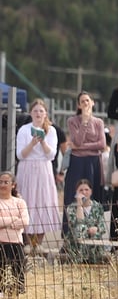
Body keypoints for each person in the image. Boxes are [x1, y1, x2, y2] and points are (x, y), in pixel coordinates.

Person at [16, 99, 58, 250]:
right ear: (31, 113)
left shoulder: (51, 131)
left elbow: (51, 155)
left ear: (45, 113)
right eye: (35, 111)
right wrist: (32, 144)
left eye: (41, 111)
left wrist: (42, 142)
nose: (38, 113)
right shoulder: (24, 130)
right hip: (27, 168)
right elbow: (20, 155)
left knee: (43, 202)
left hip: (43, 168)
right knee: (27, 202)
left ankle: (38, 243)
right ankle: (27, 242)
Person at [63, 91, 106, 230]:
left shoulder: (99, 122)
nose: (86, 103)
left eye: (88, 100)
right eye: (82, 101)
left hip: (93, 163)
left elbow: (102, 145)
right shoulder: (72, 121)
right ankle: (70, 234)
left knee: (91, 197)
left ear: (92, 102)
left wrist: (81, 147)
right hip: (77, 163)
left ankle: (92, 232)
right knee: (73, 196)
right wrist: (85, 122)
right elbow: (77, 140)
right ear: (79, 105)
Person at [63, 179, 107, 263]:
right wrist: (79, 206)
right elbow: (77, 228)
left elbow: (102, 227)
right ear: (76, 192)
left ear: (91, 191)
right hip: (76, 244)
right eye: (81, 190)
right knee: (78, 236)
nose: (84, 192)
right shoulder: (71, 208)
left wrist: (96, 229)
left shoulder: (97, 207)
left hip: (94, 243)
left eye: (86, 190)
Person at [0, 173, 29, 294]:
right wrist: (13, 219)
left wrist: (5, 223)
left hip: (16, 244)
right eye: (0, 182)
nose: (2, 185)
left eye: (6, 182)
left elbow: (25, 221)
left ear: (13, 185)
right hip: (0, 244)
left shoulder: (20, 202)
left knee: (18, 276)